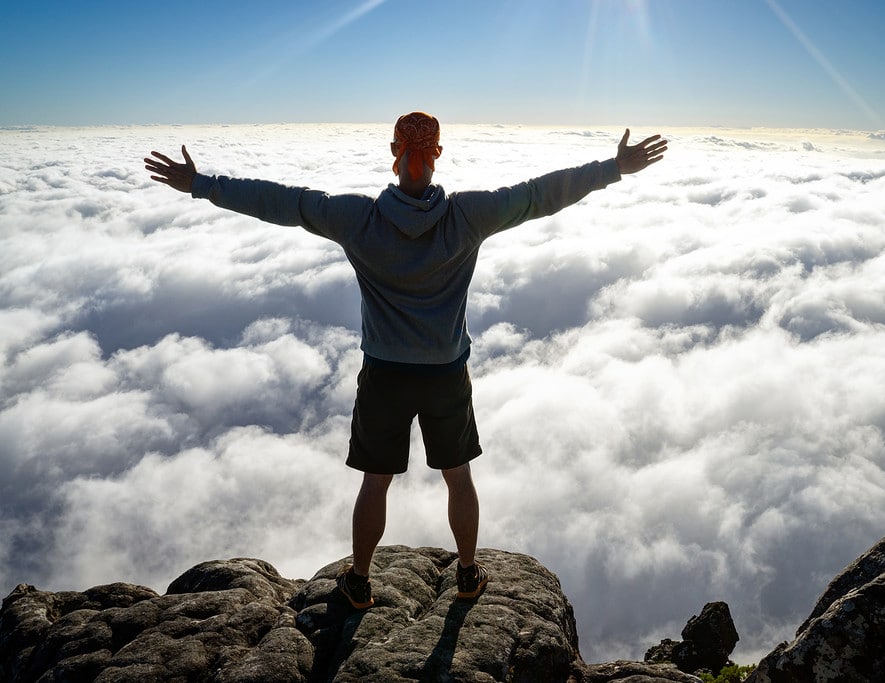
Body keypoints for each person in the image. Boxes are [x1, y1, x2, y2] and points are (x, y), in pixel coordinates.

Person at [144, 112, 667, 609]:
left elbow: (285, 203)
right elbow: (538, 197)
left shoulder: (357, 219)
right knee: (457, 476)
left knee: (376, 481)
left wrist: (203, 183)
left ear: (394, 154)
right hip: (445, 374)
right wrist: (612, 169)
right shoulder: (468, 215)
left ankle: (359, 581)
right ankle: (466, 573)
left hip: (385, 375)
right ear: (437, 154)